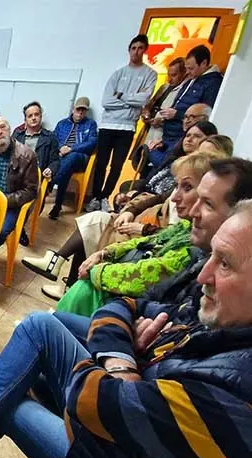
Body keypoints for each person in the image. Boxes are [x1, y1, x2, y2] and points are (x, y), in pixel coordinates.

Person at [0, 191, 252, 458]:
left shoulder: (237, 386)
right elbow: (127, 306)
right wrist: (125, 354)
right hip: (130, 434)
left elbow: (95, 402)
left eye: (224, 264)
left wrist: (128, 362)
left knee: (15, 385)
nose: (204, 275)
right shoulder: (216, 316)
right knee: (29, 353)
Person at [24, 123, 218, 296]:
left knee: (94, 224)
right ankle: (65, 278)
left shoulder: (195, 226)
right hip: (143, 219)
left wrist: (141, 228)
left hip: (145, 235)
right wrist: (130, 208)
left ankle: (61, 271)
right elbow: (157, 195)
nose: (176, 195)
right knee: (93, 223)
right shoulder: (177, 166)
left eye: (199, 140)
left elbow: (164, 240)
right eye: (189, 134)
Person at [51, 153, 214, 314]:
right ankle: (60, 275)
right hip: (137, 230)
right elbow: (152, 233)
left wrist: (97, 270)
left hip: (127, 298)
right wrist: (104, 253)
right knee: (96, 226)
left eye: (187, 188)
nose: (175, 197)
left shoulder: (196, 244)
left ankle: (57, 270)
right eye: (177, 186)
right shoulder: (185, 226)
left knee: (97, 229)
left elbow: (151, 274)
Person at [86, 34, 157, 212]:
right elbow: (106, 102)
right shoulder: (118, 74)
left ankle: (104, 197)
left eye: (140, 48)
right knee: (101, 163)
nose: (136, 51)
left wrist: (121, 96)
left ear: (144, 50)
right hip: (108, 125)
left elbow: (143, 100)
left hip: (127, 127)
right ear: (129, 50)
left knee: (116, 165)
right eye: (133, 48)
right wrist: (131, 100)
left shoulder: (150, 74)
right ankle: (95, 196)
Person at [0, 118, 38, 251]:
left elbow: (31, 191)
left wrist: (4, 200)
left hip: (10, 204)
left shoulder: (27, 155)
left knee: (1, 231)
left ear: (9, 130)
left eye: (2, 127)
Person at [48, 97, 98, 219]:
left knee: (72, 158)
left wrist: (72, 148)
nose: (80, 113)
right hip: (62, 156)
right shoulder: (62, 123)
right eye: (78, 109)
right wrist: (61, 148)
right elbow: (53, 139)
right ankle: (57, 206)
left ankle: (51, 183)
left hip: (79, 157)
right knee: (65, 170)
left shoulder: (90, 124)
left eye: (83, 110)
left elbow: (92, 142)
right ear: (73, 109)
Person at [141, 58, 188, 151]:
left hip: (164, 133)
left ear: (184, 73)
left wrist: (161, 121)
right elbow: (150, 103)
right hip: (150, 129)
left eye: (174, 75)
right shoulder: (164, 86)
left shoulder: (184, 90)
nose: (170, 79)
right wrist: (146, 112)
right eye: (169, 75)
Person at [147, 102, 211, 171]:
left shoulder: (204, 145)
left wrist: (152, 150)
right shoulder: (181, 139)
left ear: (205, 118)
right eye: (185, 117)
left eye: (192, 117)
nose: (187, 121)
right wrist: (161, 147)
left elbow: (164, 163)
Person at [13, 101, 60, 189]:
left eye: (36, 114)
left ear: (41, 117)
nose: (33, 118)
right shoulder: (17, 135)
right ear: (25, 120)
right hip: (17, 177)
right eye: (30, 116)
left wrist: (51, 169)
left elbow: (55, 161)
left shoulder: (50, 137)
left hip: (37, 178)